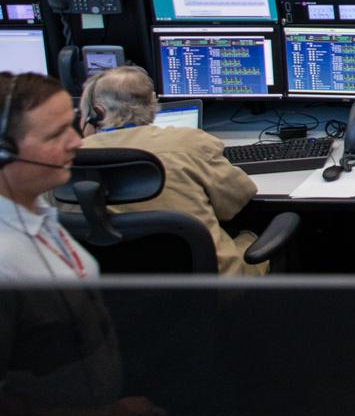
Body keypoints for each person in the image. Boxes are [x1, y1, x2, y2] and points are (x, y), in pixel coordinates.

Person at [76, 67, 266, 276]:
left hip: (112, 292)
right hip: (207, 285)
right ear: (152, 105)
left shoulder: (69, 161)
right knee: (256, 233)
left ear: (98, 112)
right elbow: (236, 201)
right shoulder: (190, 143)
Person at [0, 73, 98, 280]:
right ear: (4, 152)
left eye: (71, 126)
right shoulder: (5, 260)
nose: (77, 142)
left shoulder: (36, 209)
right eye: (56, 134)